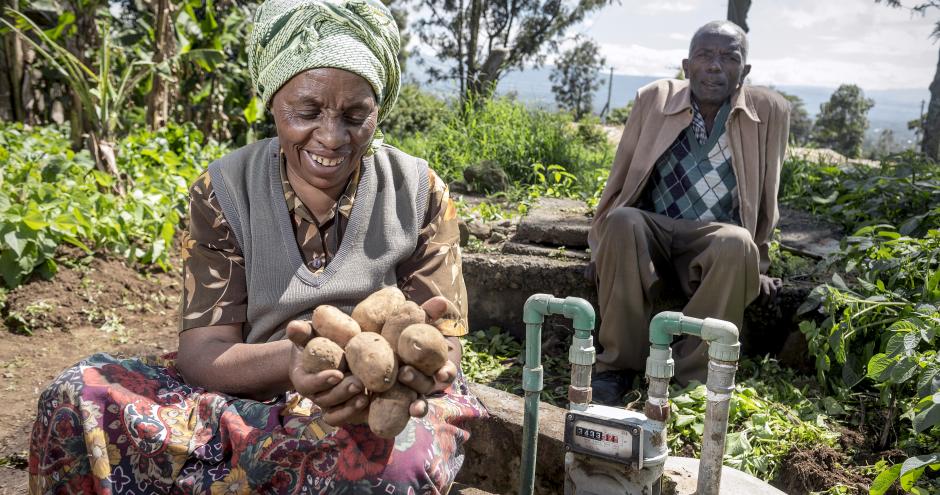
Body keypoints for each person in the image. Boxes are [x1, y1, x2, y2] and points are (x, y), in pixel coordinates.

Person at [27, 1, 486, 493]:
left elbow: (443, 346)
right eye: (305, 112)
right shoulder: (223, 188)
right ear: (271, 102)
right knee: (75, 396)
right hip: (246, 393)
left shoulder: (421, 191)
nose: (331, 138)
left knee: (390, 465)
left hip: (371, 402)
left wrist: (407, 373)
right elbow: (203, 354)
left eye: (356, 115)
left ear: (379, 110)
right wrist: (291, 364)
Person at [586, 20, 790, 404]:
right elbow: (620, 180)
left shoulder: (769, 111)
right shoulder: (656, 100)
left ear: (744, 72)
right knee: (622, 221)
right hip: (656, 234)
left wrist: (758, 263)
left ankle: (689, 380)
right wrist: (601, 248)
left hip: (712, 240)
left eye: (729, 58)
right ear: (686, 66)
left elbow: (768, 195)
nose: (715, 66)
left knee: (737, 242)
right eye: (705, 56)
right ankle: (617, 369)